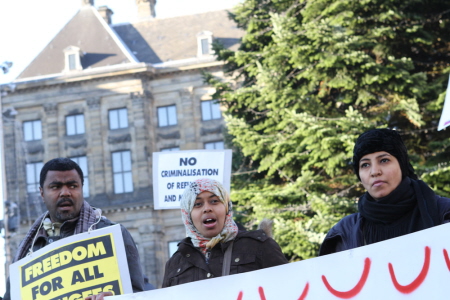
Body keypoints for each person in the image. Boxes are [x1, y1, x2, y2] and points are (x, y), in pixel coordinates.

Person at [3, 158, 145, 300]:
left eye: (72, 186)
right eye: (55, 187)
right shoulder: (27, 251)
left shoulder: (114, 236)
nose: (65, 192)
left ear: (81, 189)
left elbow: (139, 293)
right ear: (42, 193)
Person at [319, 128, 450, 255]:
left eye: (384, 160)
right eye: (365, 164)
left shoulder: (444, 212)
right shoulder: (344, 233)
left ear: (401, 165)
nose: (375, 171)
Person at [162, 178, 288, 287]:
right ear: (188, 215)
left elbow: (288, 288)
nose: (207, 208)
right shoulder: (175, 263)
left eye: (214, 201)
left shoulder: (259, 246)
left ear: (227, 207)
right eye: (198, 204)